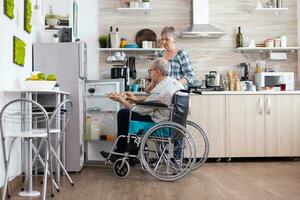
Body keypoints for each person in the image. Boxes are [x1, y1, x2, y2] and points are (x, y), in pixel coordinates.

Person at [100, 58, 184, 160]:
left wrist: (121, 100)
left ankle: (120, 153)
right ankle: (131, 154)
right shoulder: (176, 83)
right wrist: (134, 99)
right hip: (174, 125)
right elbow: (153, 101)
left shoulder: (161, 89)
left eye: (150, 71)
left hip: (160, 125)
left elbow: (140, 110)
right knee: (131, 115)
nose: (149, 74)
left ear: (157, 71)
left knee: (124, 114)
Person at [145, 26, 195, 93]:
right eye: (162, 39)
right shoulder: (159, 55)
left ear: (174, 39)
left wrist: (174, 84)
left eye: (167, 39)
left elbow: (190, 75)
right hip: (161, 93)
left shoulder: (181, 54)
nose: (164, 42)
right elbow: (156, 75)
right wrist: (152, 84)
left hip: (177, 93)